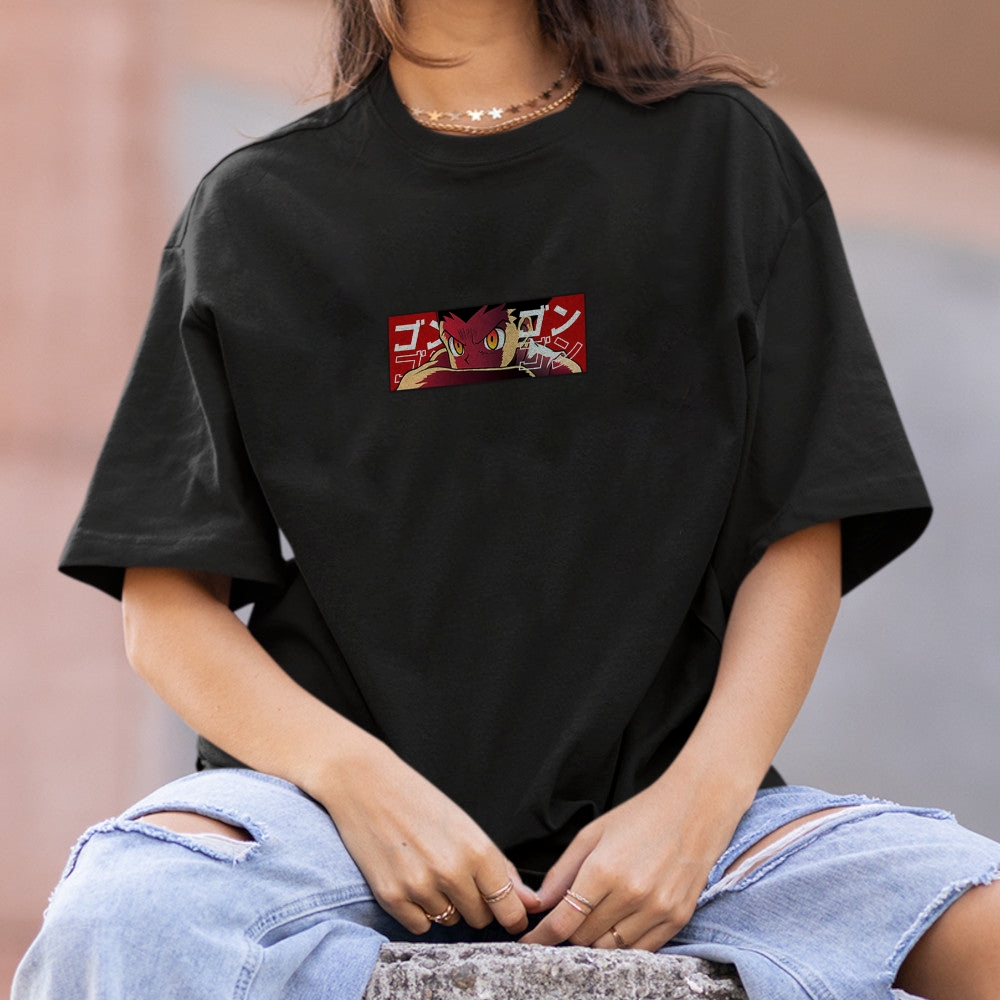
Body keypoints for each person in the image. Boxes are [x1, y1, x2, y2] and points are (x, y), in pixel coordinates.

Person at [13, 1, 1000, 998]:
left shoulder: (724, 160)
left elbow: (803, 522)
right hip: (324, 829)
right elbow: (165, 607)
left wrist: (698, 807)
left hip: (688, 825)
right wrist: (360, 786)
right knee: (123, 915)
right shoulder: (255, 211)